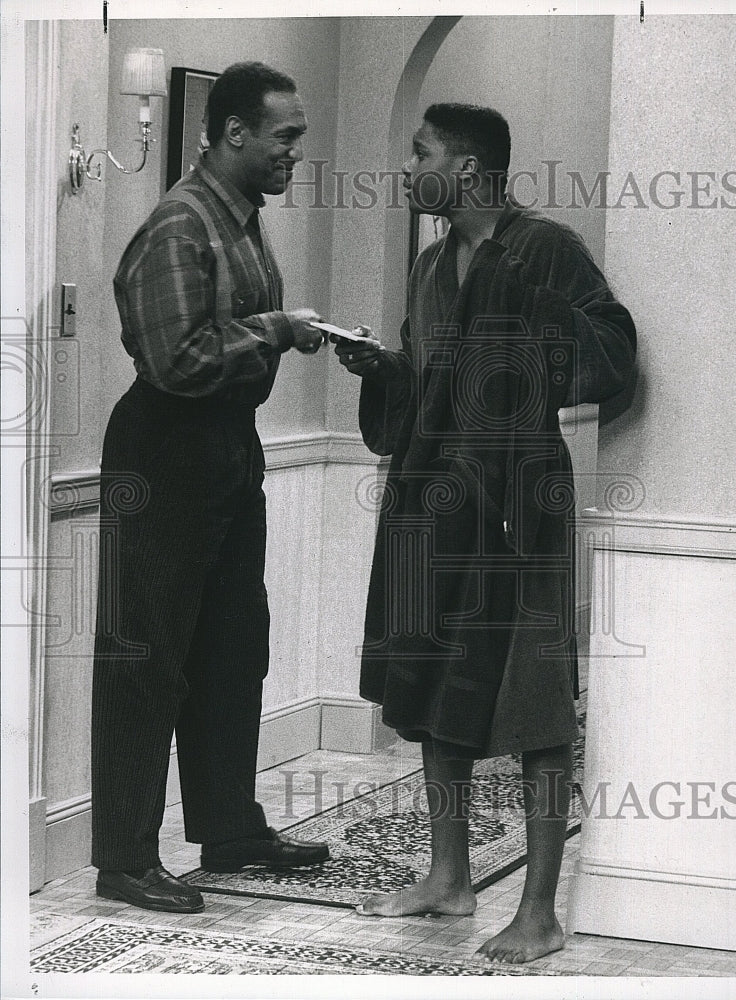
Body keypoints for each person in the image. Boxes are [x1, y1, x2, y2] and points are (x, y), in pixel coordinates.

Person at [335, 103, 636, 963]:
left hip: (517, 494)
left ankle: (538, 911)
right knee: (434, 686)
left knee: (531, 695)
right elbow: (428, 374)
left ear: (465, 170)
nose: (404, 167)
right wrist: (381, 368)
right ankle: (448, 877)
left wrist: (522, 303)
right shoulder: (430, 263)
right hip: (433, 499)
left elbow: (610, 350)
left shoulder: (544, 247)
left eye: (419, 153)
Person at [91, 62, 330, 915]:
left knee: (233, 645)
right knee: (146, 657)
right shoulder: (178, 226)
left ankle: (229, 828)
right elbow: (175, 359)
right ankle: (122, 858)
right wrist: (273, 328)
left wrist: (284, 335)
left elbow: (219, 342)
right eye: (285, 135)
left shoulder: (240, 221)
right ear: (236, 134)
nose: (293, 151)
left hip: (227, 443)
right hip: (166, 449)